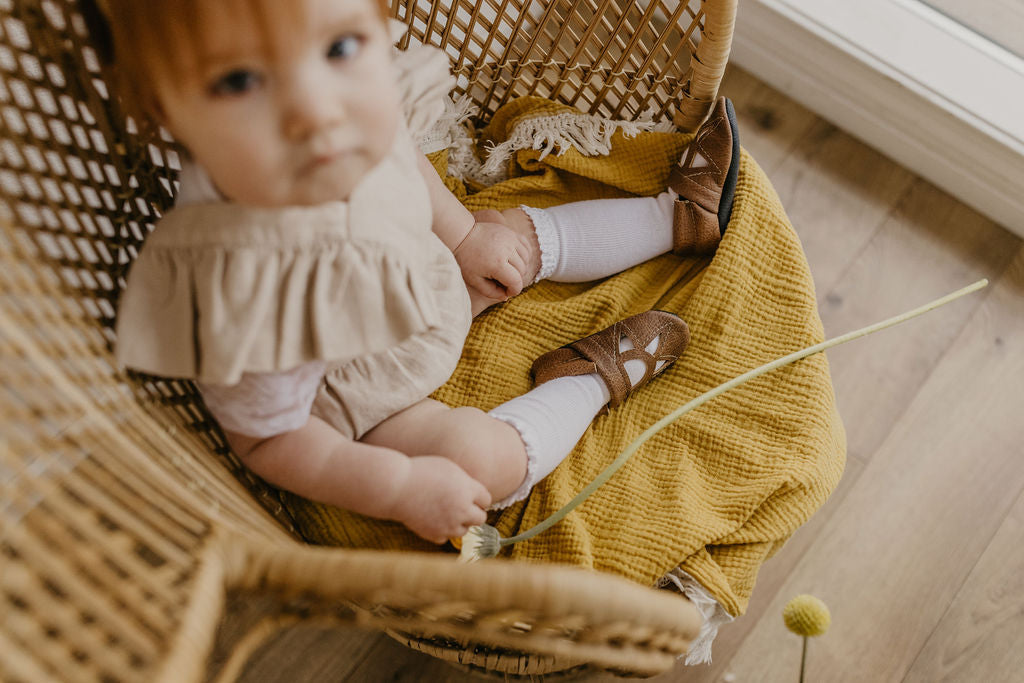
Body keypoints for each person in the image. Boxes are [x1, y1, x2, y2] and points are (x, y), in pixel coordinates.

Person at [95, 0, 738, 543]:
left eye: (342, 48)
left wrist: (461, 236)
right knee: (474, 463)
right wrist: (402, 488)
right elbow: (271, 442)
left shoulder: (350, 117)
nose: (319, 110)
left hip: (422, 277)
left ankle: (675, 217)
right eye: (239, 83)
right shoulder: (236, 280)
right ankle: (588, 381)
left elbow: (402, 159)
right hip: (358, 391)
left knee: (504, 237)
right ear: (163, 113)